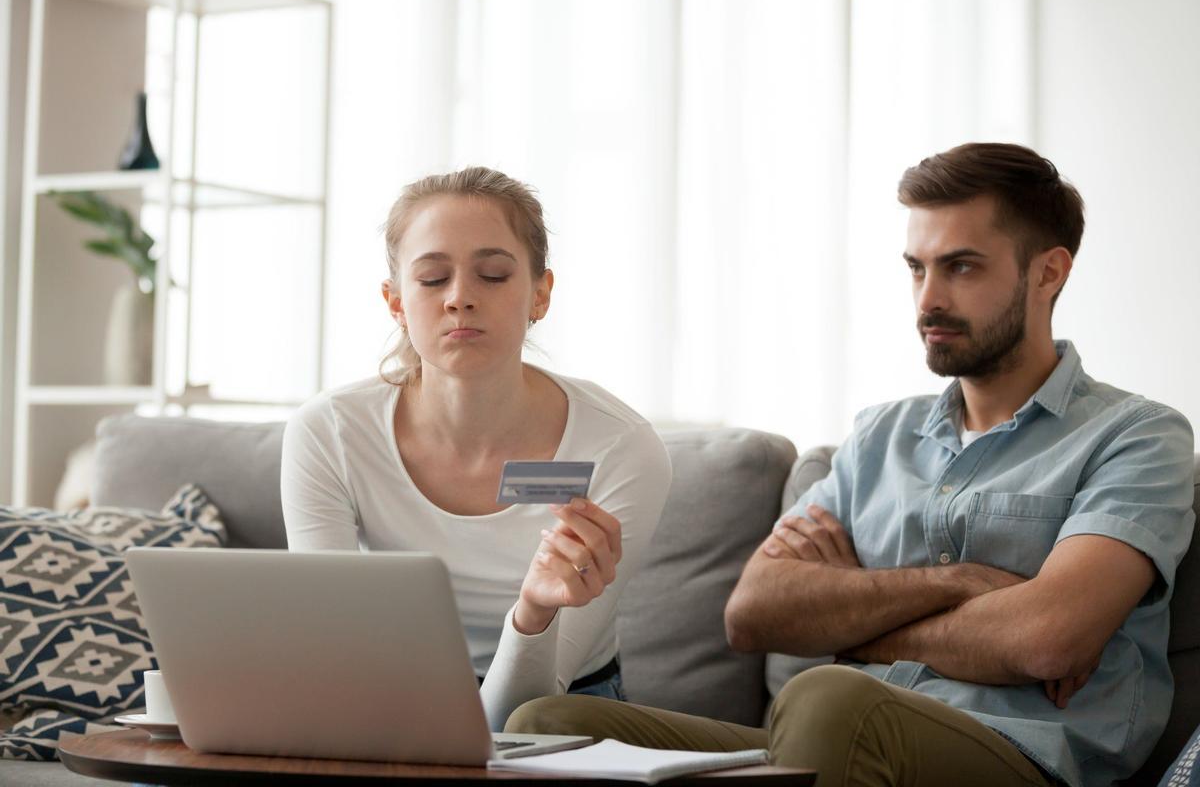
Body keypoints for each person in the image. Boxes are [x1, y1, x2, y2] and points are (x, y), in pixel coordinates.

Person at [505, 143, 1196, 787]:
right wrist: (963, 583)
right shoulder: (880, 437)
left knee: (830, 698)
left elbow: (1048, 640)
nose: (928, 299)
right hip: (824, 742)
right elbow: (753, 613)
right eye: (916, 268)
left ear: (1048, 272)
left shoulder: (1135, 438)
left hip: (1020, 756)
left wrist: (856, 628)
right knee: (548, 726)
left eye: (960, 266)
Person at [281, 166, 672, 730]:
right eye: (433, 279)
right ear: (395, 302)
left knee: (539, 722)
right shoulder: (329, 433)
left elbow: (529, 708)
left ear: (541, 293)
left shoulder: (621, 447)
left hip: (557, 714)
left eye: (492, 275)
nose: (460, 298)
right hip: (390, 700)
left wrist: (535, 611)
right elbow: (335, 654)